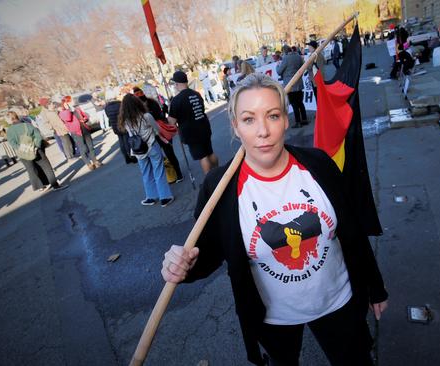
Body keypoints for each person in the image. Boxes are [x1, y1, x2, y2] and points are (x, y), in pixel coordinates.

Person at [160, 73, 388, 366]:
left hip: (338, 302)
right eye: (249, 119)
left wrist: (374, 286)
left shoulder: (318, 164)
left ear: (286, 120)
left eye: (273, 115)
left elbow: (352, 232)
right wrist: (183, 266)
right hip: (272, 319)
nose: (263, 131)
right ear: (236, 127)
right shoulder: (219, 186)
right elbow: (207, 253)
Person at [118, 94, 174, 207]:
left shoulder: (125, 121)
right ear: (137, 103)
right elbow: (157, 130)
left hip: (138, 150)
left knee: (146, 173)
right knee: (159, 171)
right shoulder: (147, 116)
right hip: (152, 145)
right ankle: (165, 197)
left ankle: (151, 197)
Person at [168, 71, 219, 174]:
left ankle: (210, 180)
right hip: (203, 127)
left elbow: (171, 121)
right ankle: (218, 173)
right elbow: (202, 109)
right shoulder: (196, 94)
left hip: (191, 132)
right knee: (210, 152)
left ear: (177, 84)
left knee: (203, 157)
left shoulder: (176, 100)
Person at [6, 111, 67, 192]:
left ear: (9, 120)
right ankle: (55, 185)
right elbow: (38, 136)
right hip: (35, 150)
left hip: (23, 154)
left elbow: (12, 143)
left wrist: (22, 149)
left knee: (31, 170)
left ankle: (41, 186)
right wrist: (36, 147)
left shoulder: (9, 131)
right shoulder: (27, 125)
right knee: (46, 167)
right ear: (17, 117)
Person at [133, 87, 183, 183]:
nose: (139, 96)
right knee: (162, 155)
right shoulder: (141, 107)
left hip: (160, 130)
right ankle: (171, 175)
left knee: (167, 153)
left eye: (139, 94)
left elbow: (159, 115)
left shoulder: (149, 104)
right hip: (154, 133)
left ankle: (177, 173)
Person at [59, 98, 102, 170]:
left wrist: (85, 119)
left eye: (71, 101)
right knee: (83, 148)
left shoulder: (76, 109)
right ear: (64, 104)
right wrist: (67, 110)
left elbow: (85, 115)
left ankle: (95, 161)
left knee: (90, 146)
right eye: (68, 102)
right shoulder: (63, 113)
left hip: (84, 129)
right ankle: (88, 163)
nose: (71, 102)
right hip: (76, 132)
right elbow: (68, 118)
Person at [277, 45, 308, 128]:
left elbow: (279, 72)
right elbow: (304, 67)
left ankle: (298, 122)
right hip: (299, 83)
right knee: (300, 103)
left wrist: (277, 65)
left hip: (290, 85)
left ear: (284, 51)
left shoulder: (285, 58)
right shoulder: (298, 56)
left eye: (282, 52)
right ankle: (304, 119)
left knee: (294, 104)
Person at [105, 96, 136, 164]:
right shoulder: (120, 104)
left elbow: (108, 116)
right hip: (122, 125)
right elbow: (124, 113)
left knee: (121, 142)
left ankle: (126, 158)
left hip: (115, 126)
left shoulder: (107, 107)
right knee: (127, 141)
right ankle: (132, 156)